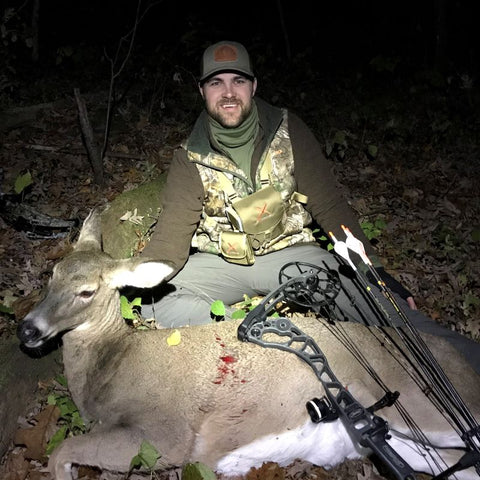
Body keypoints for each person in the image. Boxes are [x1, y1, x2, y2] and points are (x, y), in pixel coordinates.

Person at [141, 40, 480, 374]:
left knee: (379, 305)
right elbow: (171, 240)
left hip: (292, 257)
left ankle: (467, 358)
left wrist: (373, 270)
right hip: (222, 264)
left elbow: (330, 206)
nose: (228, 92)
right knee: (151, 302)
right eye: (216, 83)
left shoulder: (289, 130)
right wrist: (131, 281)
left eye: (238, 81)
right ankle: (261, 339)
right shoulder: (188, 156)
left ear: (254, 85)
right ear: (202, 91)